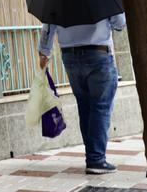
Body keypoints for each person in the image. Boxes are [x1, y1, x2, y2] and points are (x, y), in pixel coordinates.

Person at [37, 12, 127, 174]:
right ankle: (96, 159)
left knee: (85, 107)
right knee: (100, 107)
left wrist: (44, 51)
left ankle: (92, 156)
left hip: (70, 56)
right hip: (98, 54)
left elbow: (48, 26)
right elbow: (120, 23)